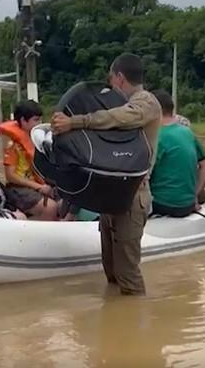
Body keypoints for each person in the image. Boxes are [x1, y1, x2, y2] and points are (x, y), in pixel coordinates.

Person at [51, 53, 162, 295]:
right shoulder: (114, 103)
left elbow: (121, 118)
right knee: (111, 269)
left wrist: (76, 121)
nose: (110, 84)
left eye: (111, 79)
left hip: (133, 193)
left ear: (120, 78)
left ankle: (135, 324)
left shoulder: (147, 102)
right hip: (109, 194)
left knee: (128, 275)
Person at [149, 90, 205, 217]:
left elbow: (141, 175)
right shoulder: (187, 132)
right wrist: (195, 195)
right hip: (188, 204)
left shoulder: (156, 137)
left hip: (163, 204)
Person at [0, 100, 59, 221]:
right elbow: (10, 176)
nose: (40, 124)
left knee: (68, 199)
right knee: (51, 208)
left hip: (39, 183)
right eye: (36, 120)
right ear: (23, 121)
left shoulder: (39, 140)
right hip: (17, 188)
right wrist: (38, 187)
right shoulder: (13, 145)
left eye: (41, 120)